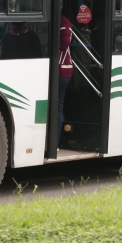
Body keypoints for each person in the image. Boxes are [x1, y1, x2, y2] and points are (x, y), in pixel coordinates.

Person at [56, 14, 73, 147]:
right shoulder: (59, 21)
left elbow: (65, 43)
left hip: (62, 70)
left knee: (57, 107)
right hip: (58, 69)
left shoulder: (64, 22)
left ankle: (54, 142)